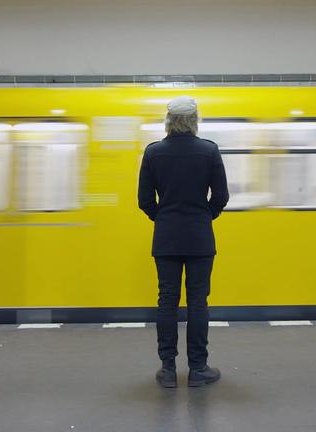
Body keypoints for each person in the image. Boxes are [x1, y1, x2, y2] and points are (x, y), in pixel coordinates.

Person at [137, 96, 230, 388]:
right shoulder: (209, 151)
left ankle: (167, 370)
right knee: (198, 302)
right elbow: (221, 197)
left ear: (169, 120)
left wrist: (163, 218)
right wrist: (204, 216)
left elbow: (144, 201)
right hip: (200, 238)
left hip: (166, 238)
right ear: (194, 120)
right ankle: (198, 369)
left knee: (167, 301)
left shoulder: (153, 153)